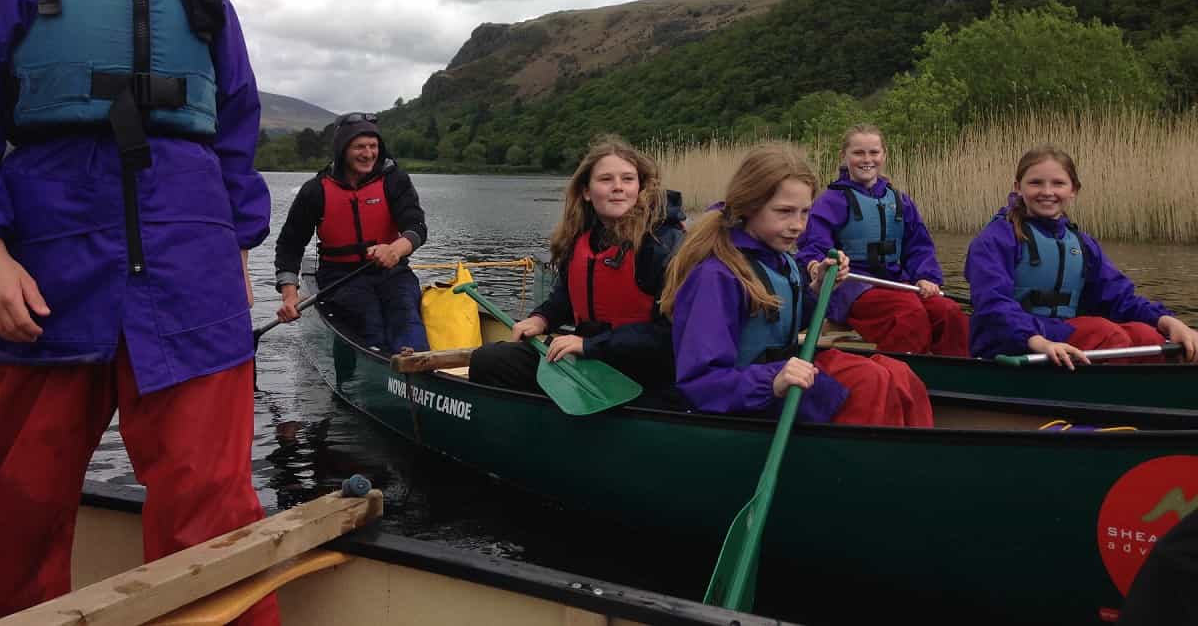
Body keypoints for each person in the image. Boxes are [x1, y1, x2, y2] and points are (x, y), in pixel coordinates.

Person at [0, 0, 277, 623]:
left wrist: (234, 246)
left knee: (213, 503)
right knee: (18, 502)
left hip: (190, 269)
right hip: (46, 272)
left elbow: (234, 122)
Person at [661, 143, 933, 427]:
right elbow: (700, 384)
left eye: (805, 212)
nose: (798, 225)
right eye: (785, 211)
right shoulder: (716, 277)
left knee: (897, 372)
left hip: (780, 383)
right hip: (744, 401)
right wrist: (772, 382)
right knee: (867, 381)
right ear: (749, 207)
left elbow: (779, 322)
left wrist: (817, 288)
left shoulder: (783, 262)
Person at [469, 136, 684, 392]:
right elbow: (565, 299)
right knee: (488, 361)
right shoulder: (581, 239)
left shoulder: (663, 245)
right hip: (591, 360)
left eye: (628, 179)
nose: (618, 187)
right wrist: (541, 318)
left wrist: (589, 346)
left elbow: (671, 334)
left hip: (644, 371)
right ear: (586, 192)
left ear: (640, 187)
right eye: (606, 179)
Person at [965, 145, 1198, 366]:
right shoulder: (996, 238)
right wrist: (1039, 342)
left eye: (1058, 183)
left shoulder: (1082, 243)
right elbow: (992, 303)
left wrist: (1168, 322)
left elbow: (1119, 298)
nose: (1047, 192)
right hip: (1007, 339)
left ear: (1073, 190)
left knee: (1146, 335)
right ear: (1018, 187)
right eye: (1035, 183)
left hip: (1060, 333)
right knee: (1106, 334)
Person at [797, 124, 969, 356]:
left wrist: (926, 276)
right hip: (850, 287)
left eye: (873, 152)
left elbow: (919, 247)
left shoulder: (900, 201)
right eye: (858, 153)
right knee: (907, 313)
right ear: (844, 156)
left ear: (883, 155)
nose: (866, 159)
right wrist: (818, 266)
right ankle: (903, 376)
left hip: (895, 282)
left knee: (949, 312)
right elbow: (813, 246)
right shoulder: (831, 201)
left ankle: (955, 377)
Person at [274, 112, 429, 354]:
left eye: (373, 146)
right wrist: (290, 295)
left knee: (408, 321)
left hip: (392, 273)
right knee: (370, 325)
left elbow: (417, 226)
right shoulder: (315, 191)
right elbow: (290, 246)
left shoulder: (395, 180)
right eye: (359, 147)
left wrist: (395, 250)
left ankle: (417, 368)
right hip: (340, 278)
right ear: (342, 149)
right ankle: (382, 368)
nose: (368, 154)